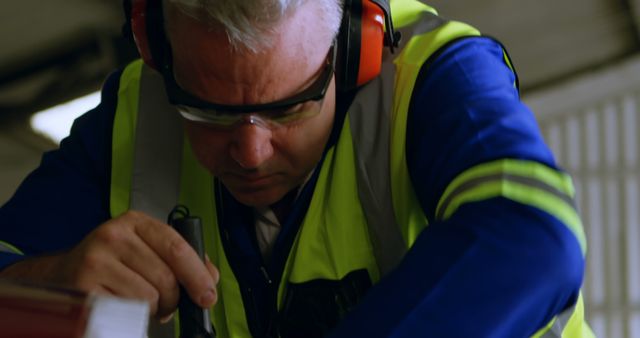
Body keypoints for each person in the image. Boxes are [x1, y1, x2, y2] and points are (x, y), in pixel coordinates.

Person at [0, 0, 593, 336]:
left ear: (354, 49)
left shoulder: (435, 80)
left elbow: (533, 233)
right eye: (207, 111)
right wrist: (48, 282)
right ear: (157, 52)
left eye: (289, 106)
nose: (251, 153)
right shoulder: (133, 113)